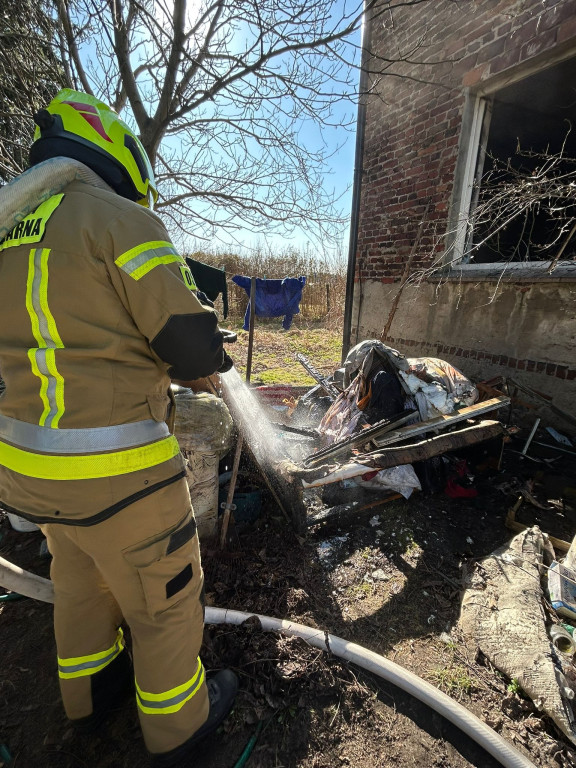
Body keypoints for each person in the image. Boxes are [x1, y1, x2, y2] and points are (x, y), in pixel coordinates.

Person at [0, 89, 237, 767]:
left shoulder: (14, 227)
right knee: (166, 598)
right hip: (118, 476)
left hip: (28, 472)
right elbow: (188, 347)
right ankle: (180, 732)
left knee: (79, 581)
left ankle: (89, 697)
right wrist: (214, 356)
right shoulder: (118, 217)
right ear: (114, 150)